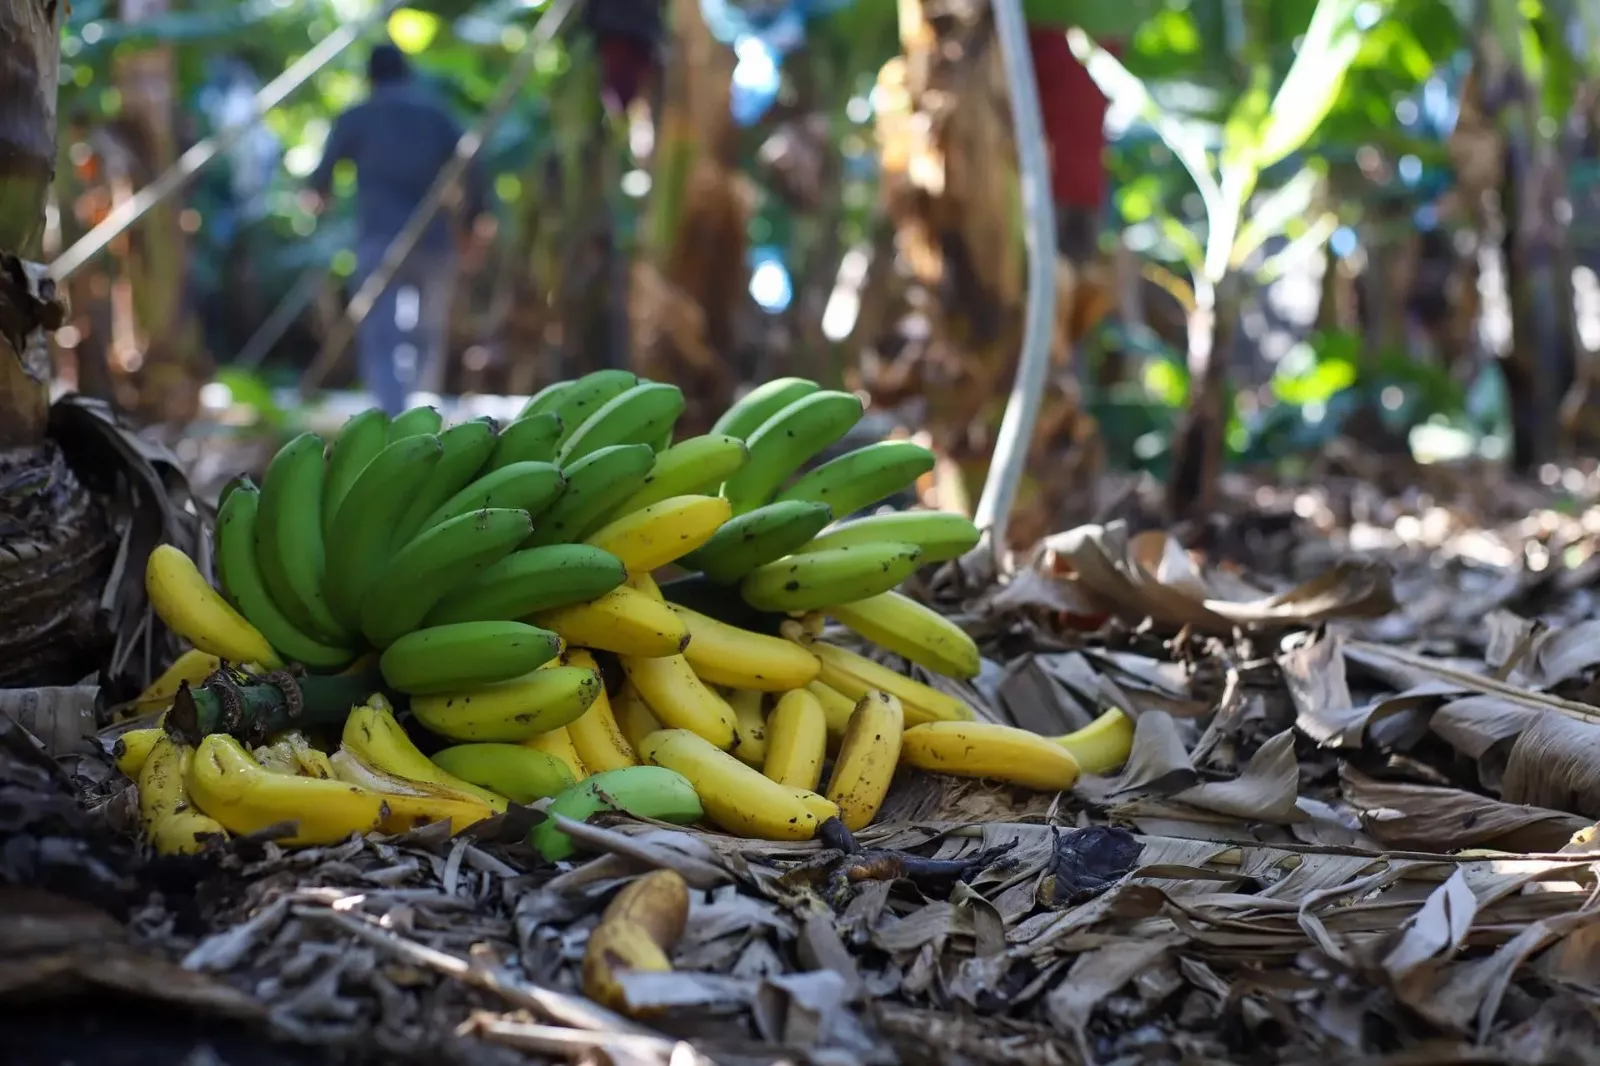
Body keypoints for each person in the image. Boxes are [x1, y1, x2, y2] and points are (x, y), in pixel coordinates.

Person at [304, 41, 491, 414]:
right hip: (434, 241)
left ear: (370, 77)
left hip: (379, 239)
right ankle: (424, 415)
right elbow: (475, 167)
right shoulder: (438, 115)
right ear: (408, 73)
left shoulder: (358, 115)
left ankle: (391, 418)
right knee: (427, 334)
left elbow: (318, 185)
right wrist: (472, 224)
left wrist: (319, 203)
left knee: (381, 335)